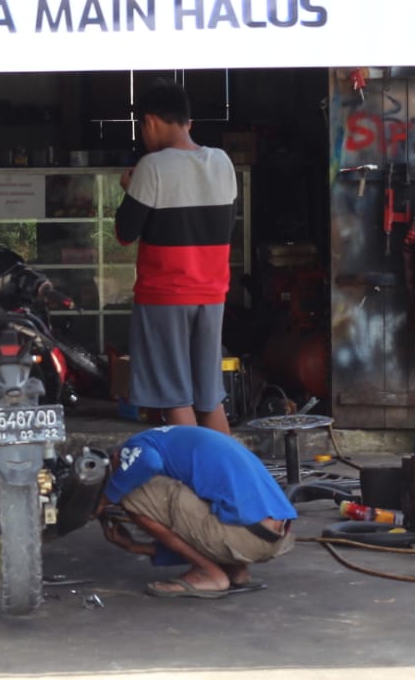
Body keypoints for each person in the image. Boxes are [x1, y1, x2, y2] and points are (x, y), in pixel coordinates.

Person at [114, 83, 238, 434]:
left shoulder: (152, 167)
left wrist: (129, 190)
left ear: (150, 122)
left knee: (175, 398)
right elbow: (227, 225)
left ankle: (187, 482)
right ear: (189, 122)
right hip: (212, 294)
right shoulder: (222, 162)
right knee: (209, 398)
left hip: (165, 295)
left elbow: (125, 233)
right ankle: (223, 481)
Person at [97, 424, 296, 599]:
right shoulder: (170, 440)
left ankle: (208, 574)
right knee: (209, 493)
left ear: (117, 457)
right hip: (274, 537)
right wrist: (136, 547)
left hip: (244, 535)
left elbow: (148, 462)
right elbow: (190, 533)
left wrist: (103, 500)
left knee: (132, 493)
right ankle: (236, 570)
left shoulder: (134, 446)